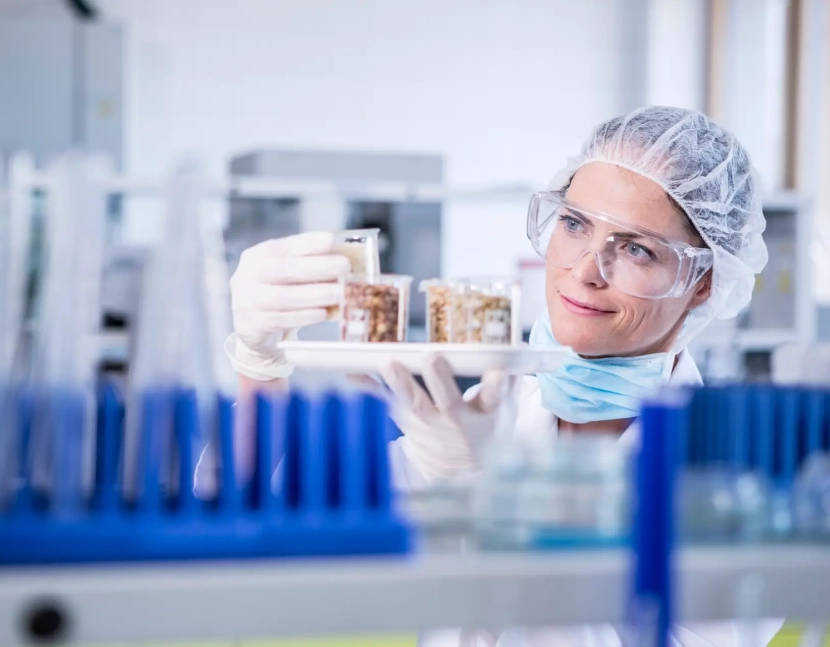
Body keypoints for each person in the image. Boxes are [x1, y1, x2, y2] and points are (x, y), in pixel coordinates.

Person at [205, 106, 779, 645]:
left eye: (636, 249)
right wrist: (260, 366)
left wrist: (492, 505)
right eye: (574, 224)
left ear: (703, 283)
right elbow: (275, 528)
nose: (585, 270)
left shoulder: (733, 489)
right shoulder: (488, 414)